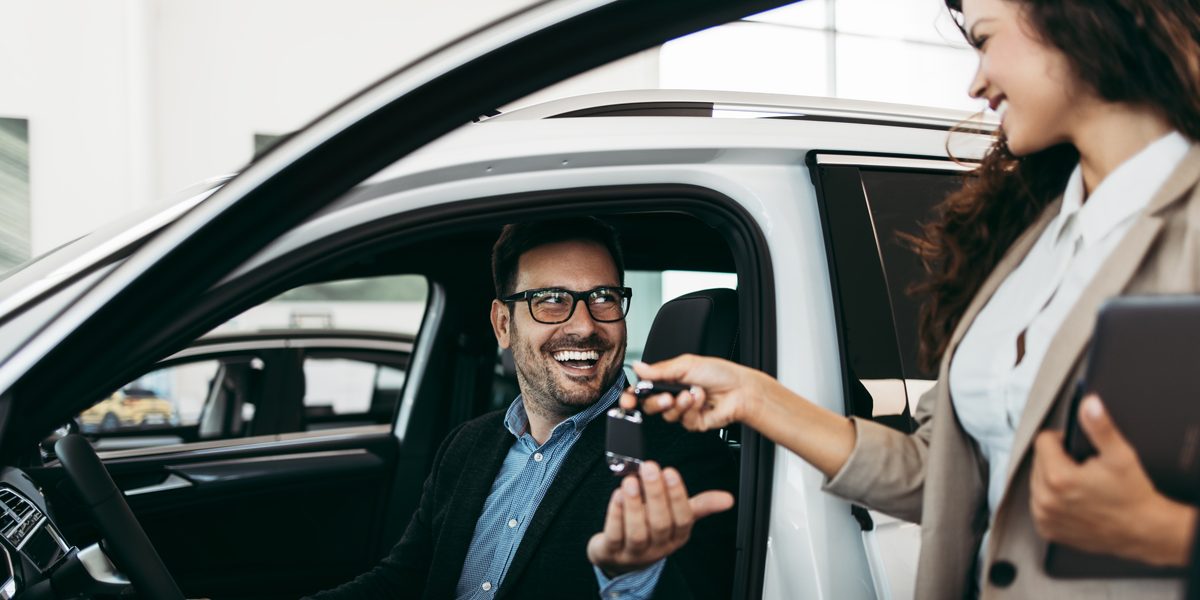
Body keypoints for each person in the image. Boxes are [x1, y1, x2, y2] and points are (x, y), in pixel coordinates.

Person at [620, 0, 1200, 597]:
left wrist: (1166, 532)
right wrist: (755, 397)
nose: (976, 83)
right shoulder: (1031, 236)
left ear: (1080, 18)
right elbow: (942, 478)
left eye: (984, 40)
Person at [305, 217, 737, 600]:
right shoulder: (466, 445)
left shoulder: (678, 457)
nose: (585, 325)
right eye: (551, 299)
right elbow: (403, 581)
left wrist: (629, 579)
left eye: (603, 297)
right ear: (503, 325)